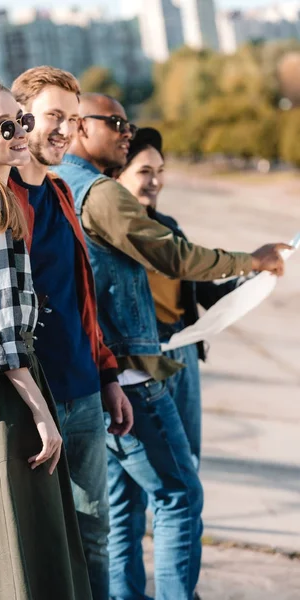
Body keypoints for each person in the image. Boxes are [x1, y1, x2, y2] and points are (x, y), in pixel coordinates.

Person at [54, 92, 290, 600]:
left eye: (127, 122)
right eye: (115, 122)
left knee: (121, 508)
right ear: (78, 126)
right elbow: (175, 258)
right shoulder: (98, 193)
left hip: (99, 375)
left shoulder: (55, 187)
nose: (124, 130)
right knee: (179, 493)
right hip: (135, 372)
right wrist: (250, 260)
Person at [0, 67, 133, 600]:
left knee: (92, 537)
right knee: (29, 549)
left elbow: (78, 299)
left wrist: (107, 375)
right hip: (18, 402)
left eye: (72, 117)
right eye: (49, 117)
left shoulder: (62, 194)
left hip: (82, 392)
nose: (63, 130)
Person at [113, 126, 243, 469]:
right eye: (144, 171)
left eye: (160, 172)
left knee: (187, 461)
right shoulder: (109, 232)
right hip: (140, 360)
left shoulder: (168, 226)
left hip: (181, 349)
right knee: (142, 483)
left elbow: (196, 281)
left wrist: (249, 284)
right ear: (118, 176)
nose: (155, 181)